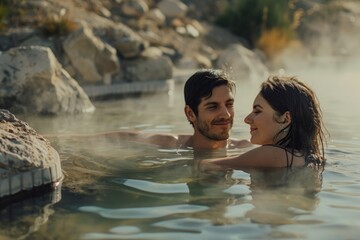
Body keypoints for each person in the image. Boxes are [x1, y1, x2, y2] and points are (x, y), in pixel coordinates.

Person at [61, 69, 250, 150]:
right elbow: (121, 138)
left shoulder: (246, 148)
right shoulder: (173, 144)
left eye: (229, 104)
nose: (225, 114)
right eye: (212, 106)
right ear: (190, 113)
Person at [201, 75, 327, 169]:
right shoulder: (306, 157)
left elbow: (205, 166)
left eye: (257, 111)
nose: (247, 119)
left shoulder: (271, 154)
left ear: (285, 118)